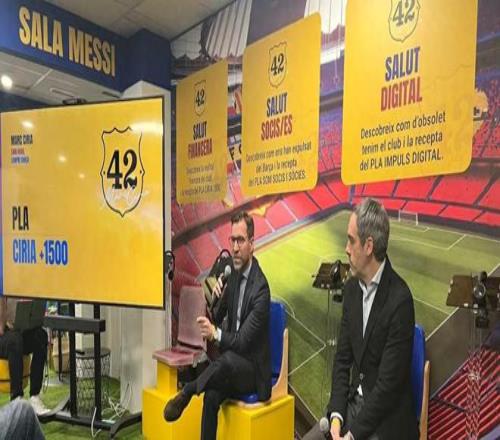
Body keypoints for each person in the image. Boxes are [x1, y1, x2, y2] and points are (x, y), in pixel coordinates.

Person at [304, 198, 418, 440]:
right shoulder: (352, 289)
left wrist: (351, 436)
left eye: (351, 240)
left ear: (368, 246)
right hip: (353, 408)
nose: (346, 248)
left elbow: (387, 387)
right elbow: (342, 360)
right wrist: (336, 418)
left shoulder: (400, 300)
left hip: (387, 422)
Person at [164, 211, 271, 440]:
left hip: (251, 371)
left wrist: (215, 334)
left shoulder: (261, 289)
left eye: (240, 240)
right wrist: (216, 297)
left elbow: (242, 342)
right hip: (229, 365)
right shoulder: (232, 274)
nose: (235, 247)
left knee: (229, 359)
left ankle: (187, 391)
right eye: (232, 240)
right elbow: (217, 315)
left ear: (252, 244)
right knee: (211, 395)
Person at [0, 297, 50, 415]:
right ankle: (17, 399)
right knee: (15, 340)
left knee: (41, 336)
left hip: (17, 332)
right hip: (4, 335)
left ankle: (34, 396)